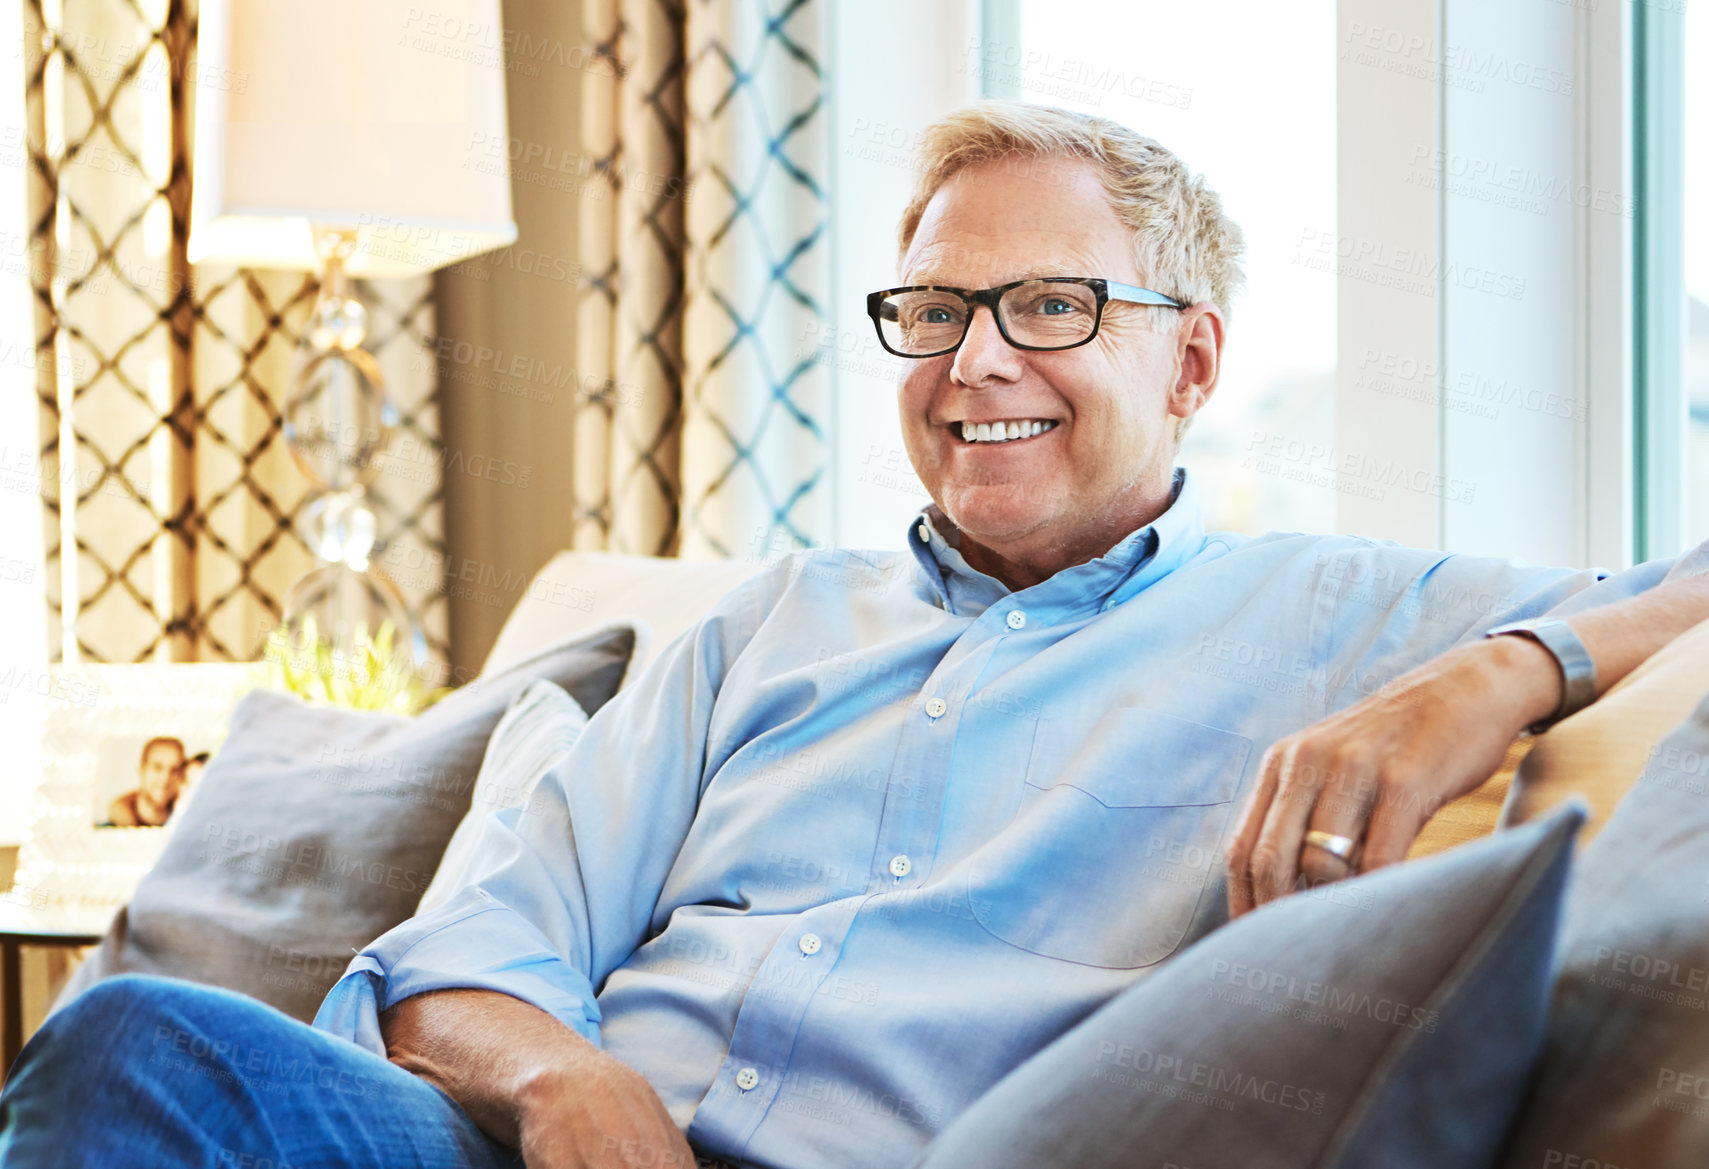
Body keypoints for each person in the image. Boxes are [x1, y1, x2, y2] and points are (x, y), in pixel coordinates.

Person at [4, 103, 1708, 1169]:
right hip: (519, 1142)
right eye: (933, 310)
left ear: (1189, 362)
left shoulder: (1341, 614)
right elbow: (468, 947)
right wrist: (566, 1083)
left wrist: (1504, 667)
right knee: (133, 1041)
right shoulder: (764, 624)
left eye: (1048, 307)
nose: (974, 363)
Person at [103, 736, 186, 828]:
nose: (165, 778)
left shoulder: (185, 821)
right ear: (141, 770)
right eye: (157, 767)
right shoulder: (109, 830)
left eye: (174, 770)